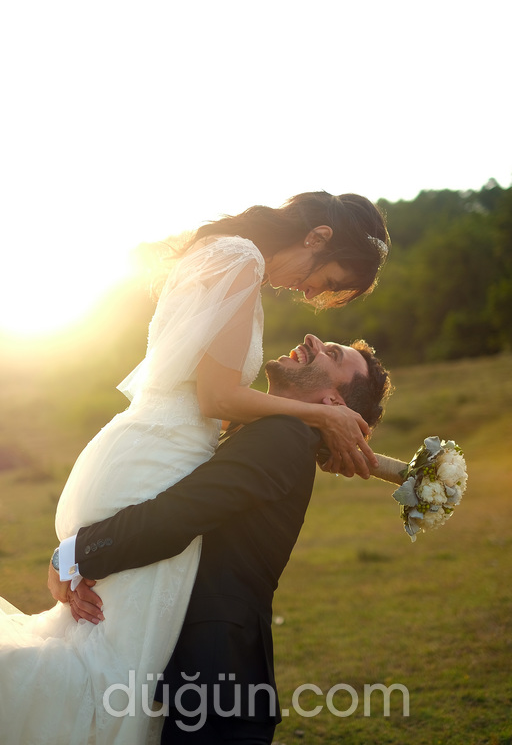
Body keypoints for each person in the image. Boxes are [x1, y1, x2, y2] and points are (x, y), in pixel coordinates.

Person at [0, 191, 389, 745]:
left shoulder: (225, 252)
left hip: (135, 450)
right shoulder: (243, 261)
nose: (310, 295)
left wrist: (325, 432)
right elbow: (216, 397)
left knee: (95, 659)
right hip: (153, 459)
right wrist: (318, 418)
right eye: (325, 279)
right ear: (318, 236)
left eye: (324, 291)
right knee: (101, 683)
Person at [51, 334, 392, 745]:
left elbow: (178, 514)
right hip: (206, 676)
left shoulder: (283, 437)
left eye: (332, 354)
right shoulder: (270, 432)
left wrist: (72, 555)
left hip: (214, 675)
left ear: (334, 404)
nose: (313, 339)